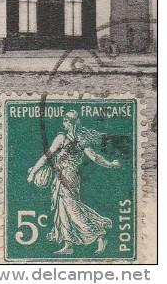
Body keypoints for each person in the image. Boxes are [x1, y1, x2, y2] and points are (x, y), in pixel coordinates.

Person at [27, 109, 120, 255]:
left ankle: (99, 234)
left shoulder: (74, 139)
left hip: (68, 177)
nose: (64, 124)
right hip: (61, 176)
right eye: (64, 121)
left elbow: (94, 157)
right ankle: (68, 244)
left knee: (72, 208)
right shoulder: (65, 138)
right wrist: (33, 172)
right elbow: (47, 157)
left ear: (72, 123)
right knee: (62, 209)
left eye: (67, 121)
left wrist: (110, 164)